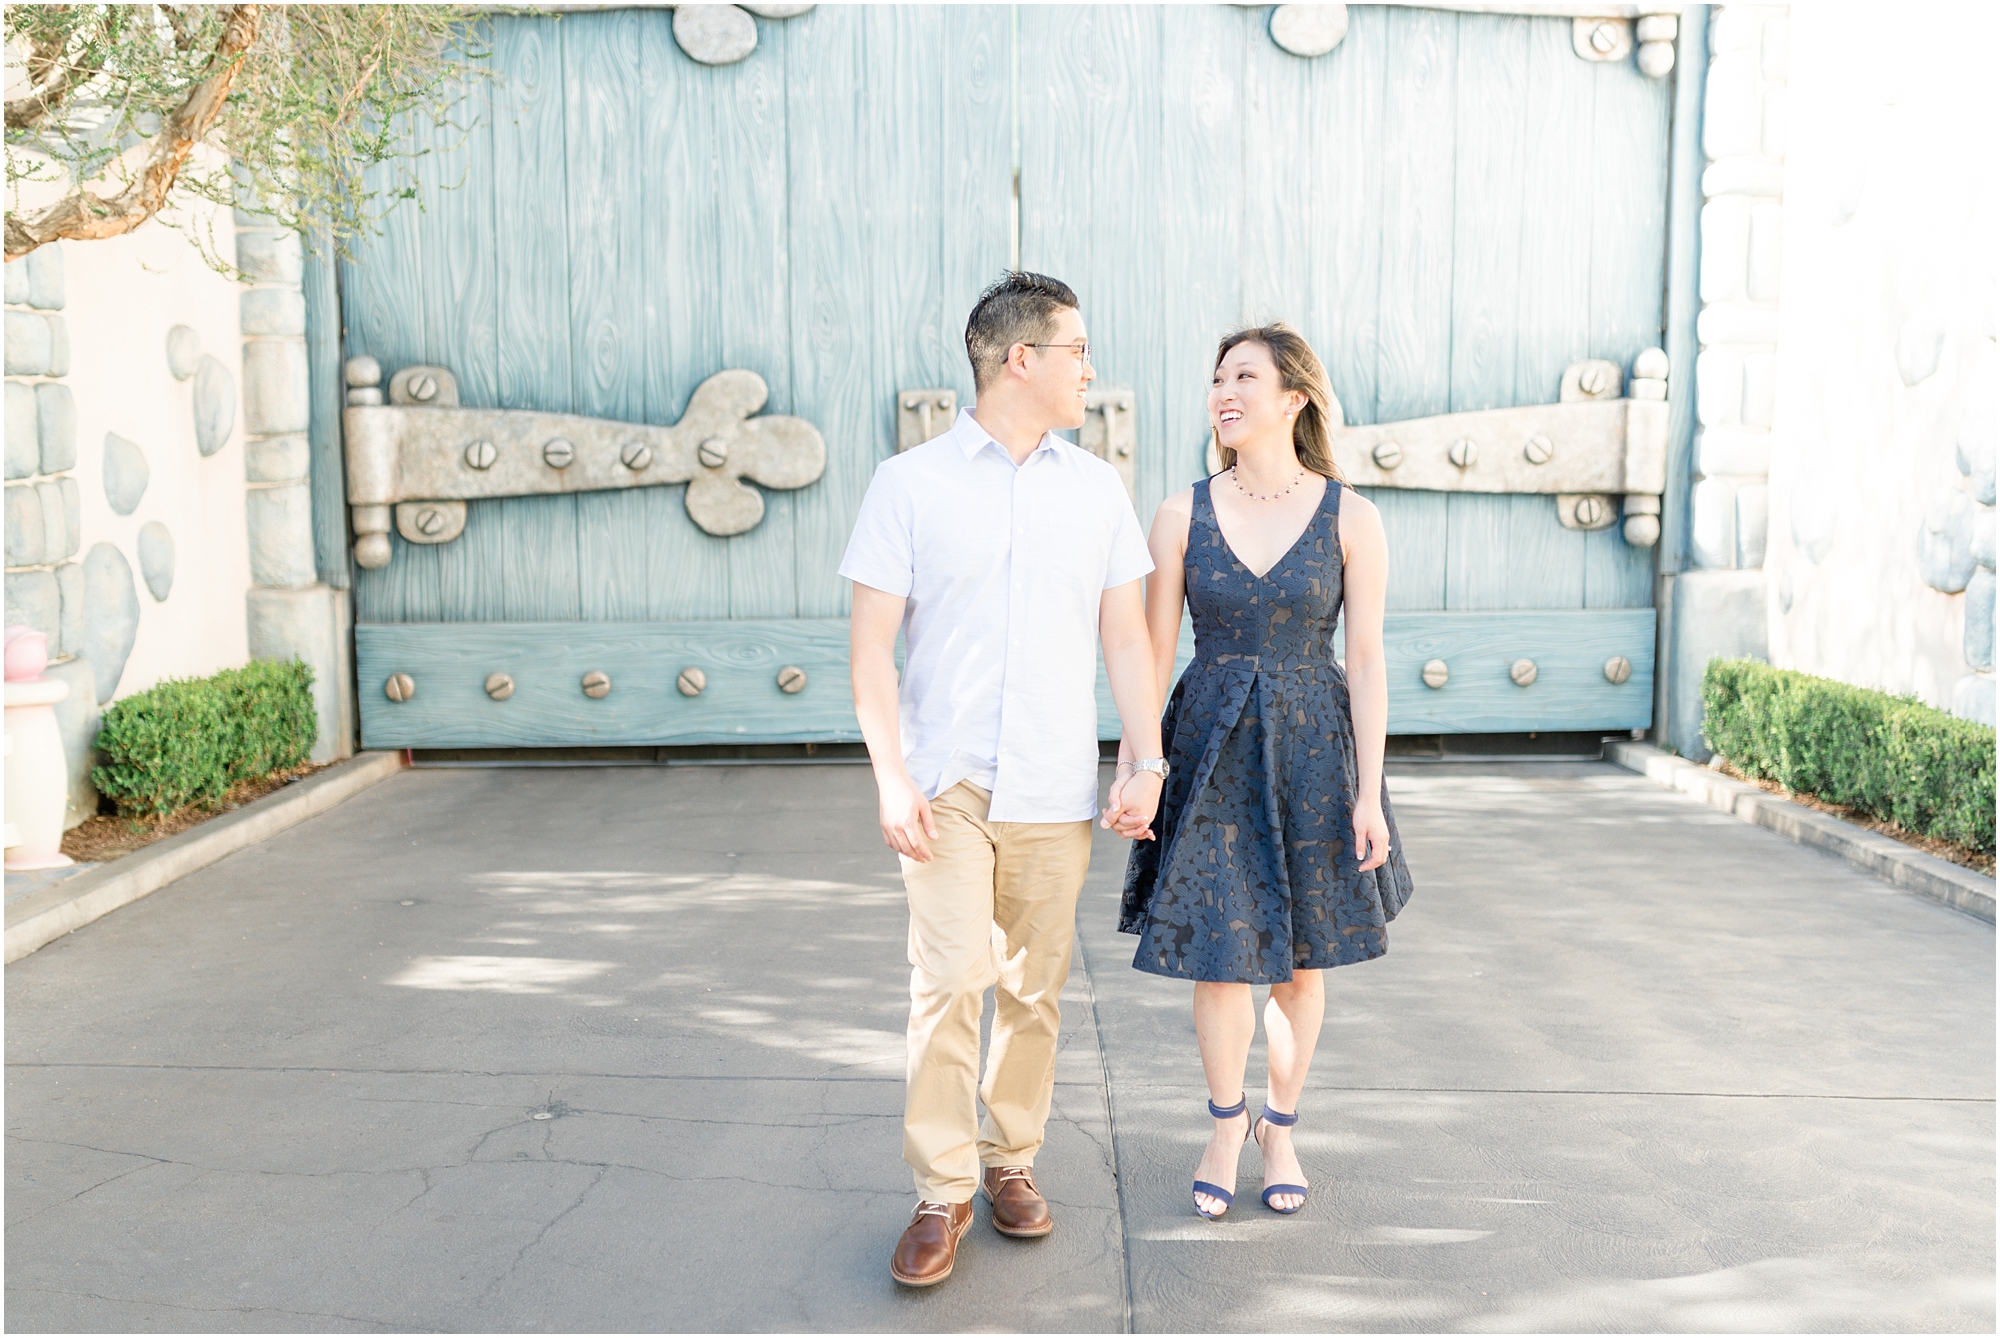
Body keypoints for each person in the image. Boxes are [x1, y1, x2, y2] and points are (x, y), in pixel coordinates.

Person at [841, 272, 1166, 1287]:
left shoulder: (1094, 489)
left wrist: (1144, 756)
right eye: (1076, 351)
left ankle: (1009, 1159)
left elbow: (1127, 637)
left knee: (1033, 988)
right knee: (946, 984)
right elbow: (869, 654)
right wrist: (891, 777)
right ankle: (940, 1193)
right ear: (1018, 358)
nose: (1089, 370)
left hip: (1053, 784)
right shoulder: (909, 485)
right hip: (948, 783)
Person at [1119, 323, 1415, 1220]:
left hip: (1317, 752)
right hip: (1210, 748)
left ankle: (1279, 1128)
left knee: (1299, 964)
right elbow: (1152, 654)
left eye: (1244, 375)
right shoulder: (1180, 513)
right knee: (1220, 957)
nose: (1223, 391)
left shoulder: (1351, 516)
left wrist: (1369, 793)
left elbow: (1364, 661)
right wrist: (1143, 766)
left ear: (1295, 398)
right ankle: (1223, 1123)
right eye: (1216, 378)